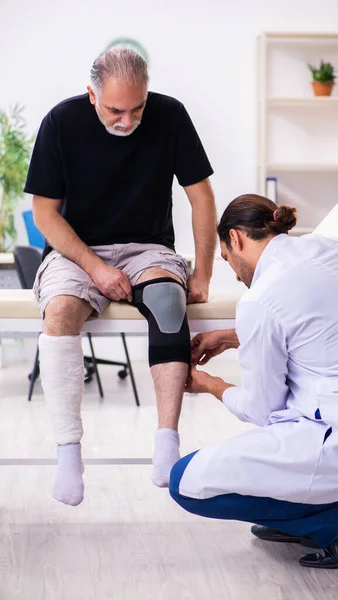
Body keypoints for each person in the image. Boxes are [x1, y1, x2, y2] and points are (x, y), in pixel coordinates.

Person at [24, 48, 217, 506]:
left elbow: (202, 198)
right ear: (92, 94)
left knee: (169, 303)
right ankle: (69, 451)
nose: (128, 120)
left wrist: (204, 273)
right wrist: (95, 267)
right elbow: (45, 215)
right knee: (61, 312)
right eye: (115, 110)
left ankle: (167, 442)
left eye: (137, 108)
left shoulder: (170, 116)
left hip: (147, 247)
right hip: (76, 249)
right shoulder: (61, 122)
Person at [169, 193, 338, 569]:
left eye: (227, 258)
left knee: (185, 482)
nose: (233, 270)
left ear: (236, 238)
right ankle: (326, 508)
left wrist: (210, 384)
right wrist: (230, 336)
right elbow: (319, 327)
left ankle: (334, 517)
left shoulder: (260, 298)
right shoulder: (335, 250)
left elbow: (262, 410)